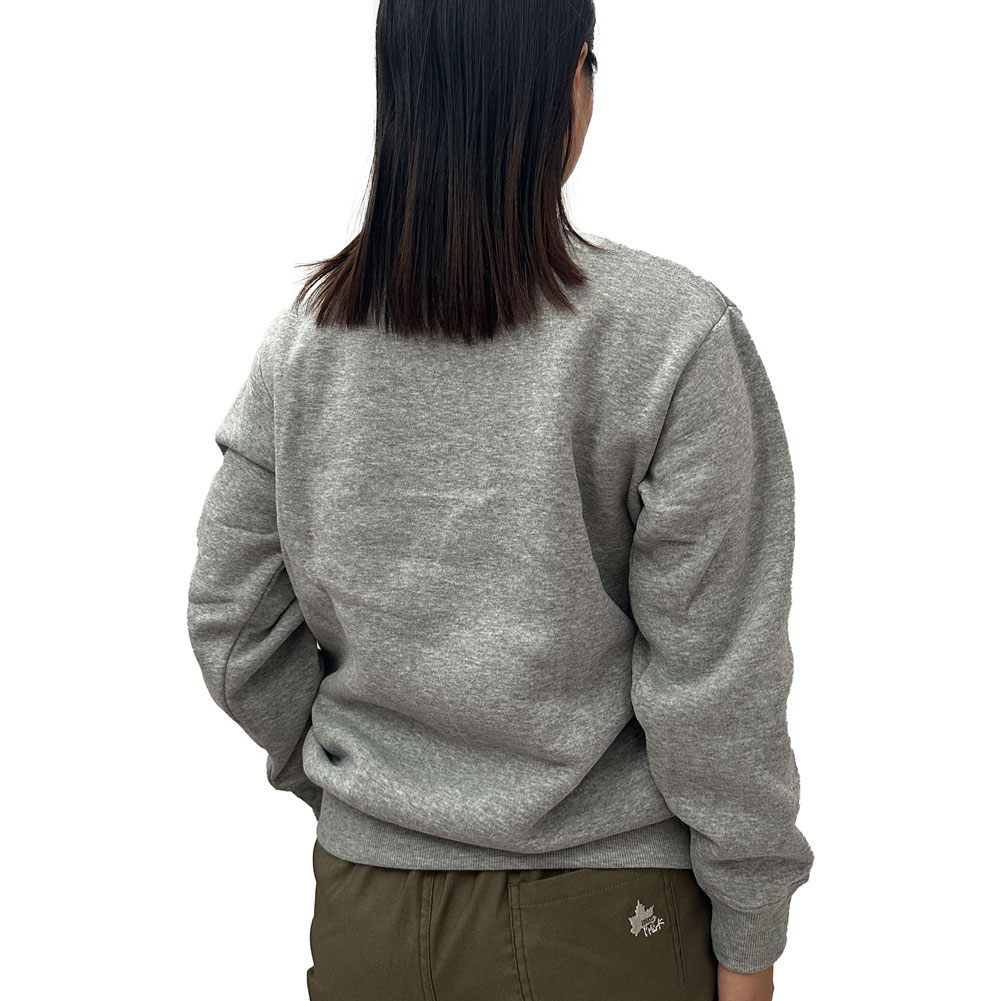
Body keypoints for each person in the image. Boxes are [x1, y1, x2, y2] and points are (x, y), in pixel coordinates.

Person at [186, 3, 814, 1000]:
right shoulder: (669, 336)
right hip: (610, 914)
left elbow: (231, 622)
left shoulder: (303, 344)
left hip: (367, 916)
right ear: (564, 83)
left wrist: (359, 783)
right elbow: (715, 677)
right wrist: (749, 930)